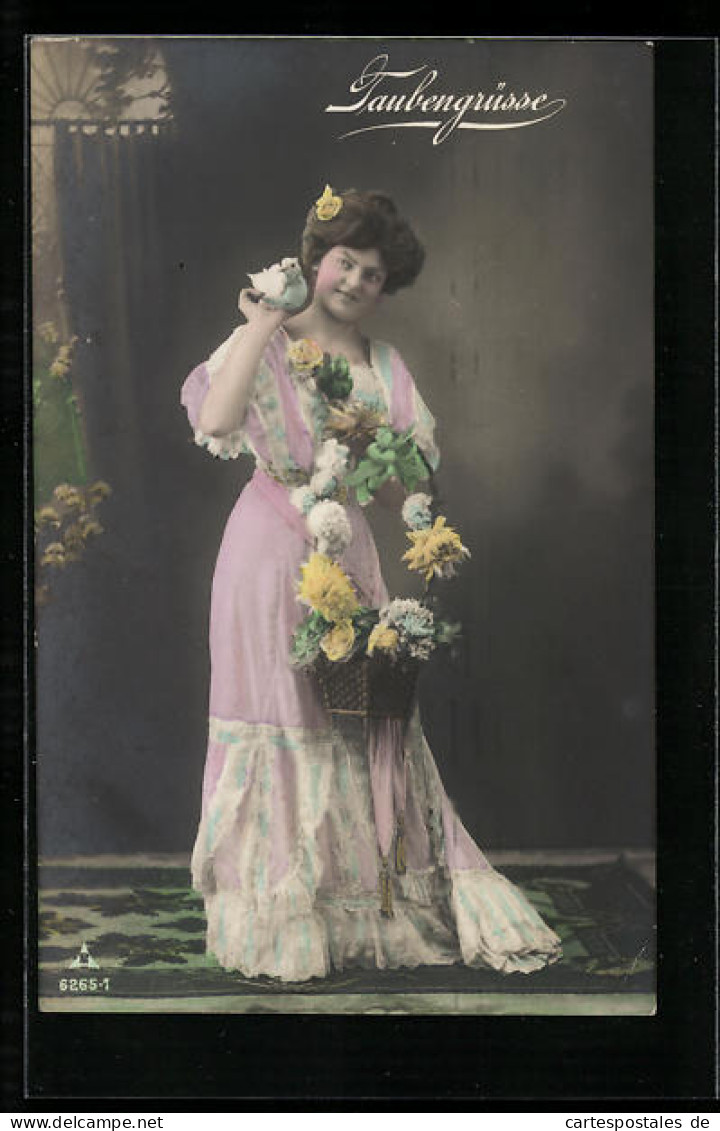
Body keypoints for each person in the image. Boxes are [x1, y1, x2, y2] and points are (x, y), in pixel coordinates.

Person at [181, 186, 562, 981]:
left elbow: (397, 489)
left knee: (357, 713)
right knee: (280, 714)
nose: (354, 281)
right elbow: (216, 423)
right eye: (343, 262)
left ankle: (370, 904)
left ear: (387, 289)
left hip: (346, 551)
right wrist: (259, 321)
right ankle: (279, 914)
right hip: (263, 555)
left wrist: (396, 468)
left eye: (373, 274)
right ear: (314, 261)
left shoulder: (384, 367)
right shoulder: (270, 339)